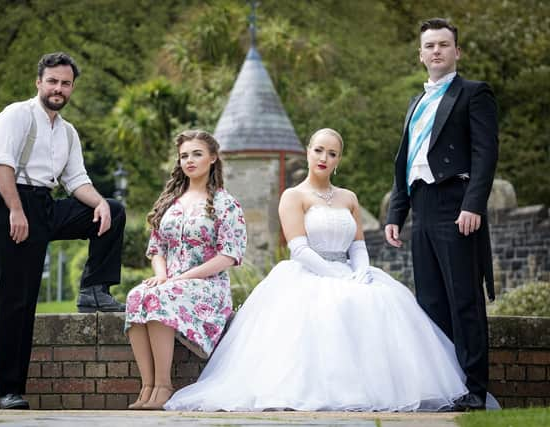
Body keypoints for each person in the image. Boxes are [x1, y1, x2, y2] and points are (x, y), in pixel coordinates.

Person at [165, 128, 473, 412]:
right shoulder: (293, 196)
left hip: (351, 269)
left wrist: (361, 273)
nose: (324, 158)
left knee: (380, 302)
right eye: (319, 150)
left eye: (332, 153)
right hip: (308, 273)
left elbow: (358, 246)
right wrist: (338, 277)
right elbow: (299, 249)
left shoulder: (348, 197)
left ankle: (371, 390)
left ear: (338, 159)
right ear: (308, 152)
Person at [0, 52, 126, 410]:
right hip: (9, 201)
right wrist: (15, 210)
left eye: (65, 83)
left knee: (114, 211)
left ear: (72, 87)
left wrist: (100, 203)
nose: (58, 88)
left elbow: (76, 179)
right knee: (17, 298)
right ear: (39, 83)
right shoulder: (16, 115)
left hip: (45, 204)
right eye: (52, 81)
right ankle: (8, 390)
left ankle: (94, 289)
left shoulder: (68, 132)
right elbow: (1, 164)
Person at [385, 18, 498, 411]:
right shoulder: (416, 104)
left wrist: (473, 203)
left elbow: (486, 154)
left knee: (464, 298)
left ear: (457, 52)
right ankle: (445, 385)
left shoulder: (473, 93)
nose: (436, 51)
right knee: (431, 301)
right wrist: (395, 213)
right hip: (422, 207)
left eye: (444, 44)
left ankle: (474, 390)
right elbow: (406, 162)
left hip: (455, 203)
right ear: (420, 54)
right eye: (430, 45)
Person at [124, 130, 247, 410]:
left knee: (159, 298)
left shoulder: (225, 203)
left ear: (213, 158)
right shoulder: (171, 201)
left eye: (197, 154)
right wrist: (162, 275)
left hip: (207, 285)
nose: (189, 160)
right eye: (184, 156)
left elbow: (229, 255)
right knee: (135, 296)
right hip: (171, 281)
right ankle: (148, 386)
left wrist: (182, 277)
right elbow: (156, 247)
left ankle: (164, 386)